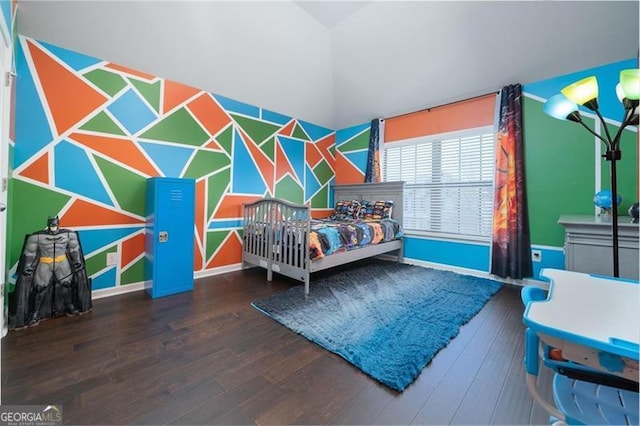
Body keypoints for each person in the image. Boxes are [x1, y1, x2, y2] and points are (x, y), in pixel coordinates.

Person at [9, 216, 92, 328]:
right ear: (48, 224)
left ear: (58, 223)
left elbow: (74, 248)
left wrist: (77, 260)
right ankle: (35, 313)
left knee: (67, 284)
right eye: (52, 224)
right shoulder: (37, 236)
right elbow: (30, 252)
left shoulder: (68, 234)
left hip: (62, 261)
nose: (54, 227)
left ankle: (69, 306)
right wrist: (28, 265)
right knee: (40, 287)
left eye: (55, 224)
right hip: (45, 261)